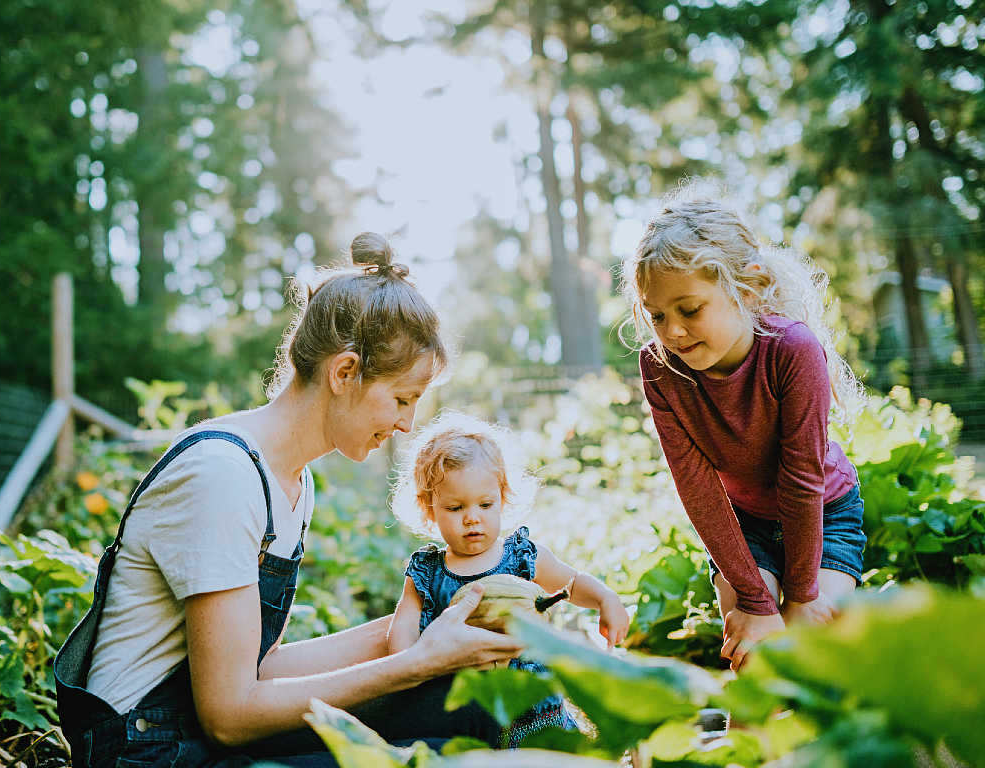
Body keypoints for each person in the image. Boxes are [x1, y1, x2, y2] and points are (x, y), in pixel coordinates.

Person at [54, 232, 525, 768]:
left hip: (201, 733)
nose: (406, 424)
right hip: (151, 753)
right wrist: (416, 663)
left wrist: (440, 617)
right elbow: (229, 715)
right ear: (344, 373)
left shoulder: (290, 481)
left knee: (474, 711)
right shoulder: (224, 476)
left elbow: (261, 670)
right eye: (400, 398)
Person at [619, 180, 868, 672]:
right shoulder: (661, 369)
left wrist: (799, 597)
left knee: (808, 646)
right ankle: (744, 749)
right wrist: (756, 602)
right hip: (743, 525)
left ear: (747, 289)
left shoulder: (792, 351)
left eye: (689, 310)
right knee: (756, 655)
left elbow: (801, 482)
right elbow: (698, 490)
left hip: (825, 512)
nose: (672, 331)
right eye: (657, 316)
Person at [387, 411, 631, 747]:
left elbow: (571, 582)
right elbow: (403, 624)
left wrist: (605, 598)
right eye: (455, 508)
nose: (472, 518)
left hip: (536, 708)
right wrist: (408, 665)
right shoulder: (427, 572)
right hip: (468, 710)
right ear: (429, 508)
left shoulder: (521, 558)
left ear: (503, 498)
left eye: (485, 504)